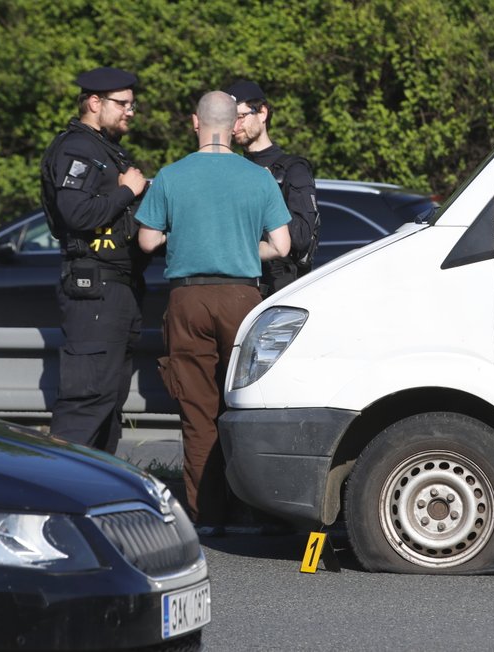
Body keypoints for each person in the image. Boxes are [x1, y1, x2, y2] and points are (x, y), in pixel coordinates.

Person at [135, 90, 291, 534]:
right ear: (233, 125)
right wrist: (242, 248)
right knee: (246, 406)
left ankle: (208, 518)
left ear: (194, 123)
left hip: (188, 300)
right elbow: (282, 245)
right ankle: (261, 513)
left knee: (199, 412)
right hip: (243, 299)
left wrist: (182, 237)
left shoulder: (171, 176)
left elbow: (147, 241)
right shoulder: (258, 177)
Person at [39, 66, 150, 454]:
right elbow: (76, 214)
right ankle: (56, 497)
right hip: (94, 291)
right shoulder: (77, 149)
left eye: (132, 105)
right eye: (123, 104)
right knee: (86, 403)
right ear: (94, 102)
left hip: (116, 290)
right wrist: (127, 192)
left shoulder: (104, 148)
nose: (130, 112)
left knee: (107, 404)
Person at [226, 79, 319, 297]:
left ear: (263, 113)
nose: (234, 127)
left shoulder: (293, 170)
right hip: (235, 291)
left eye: (240, 117)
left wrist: (269, 192)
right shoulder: (230, 169)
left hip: (278, 292)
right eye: (230, 120)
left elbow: (302, 238)